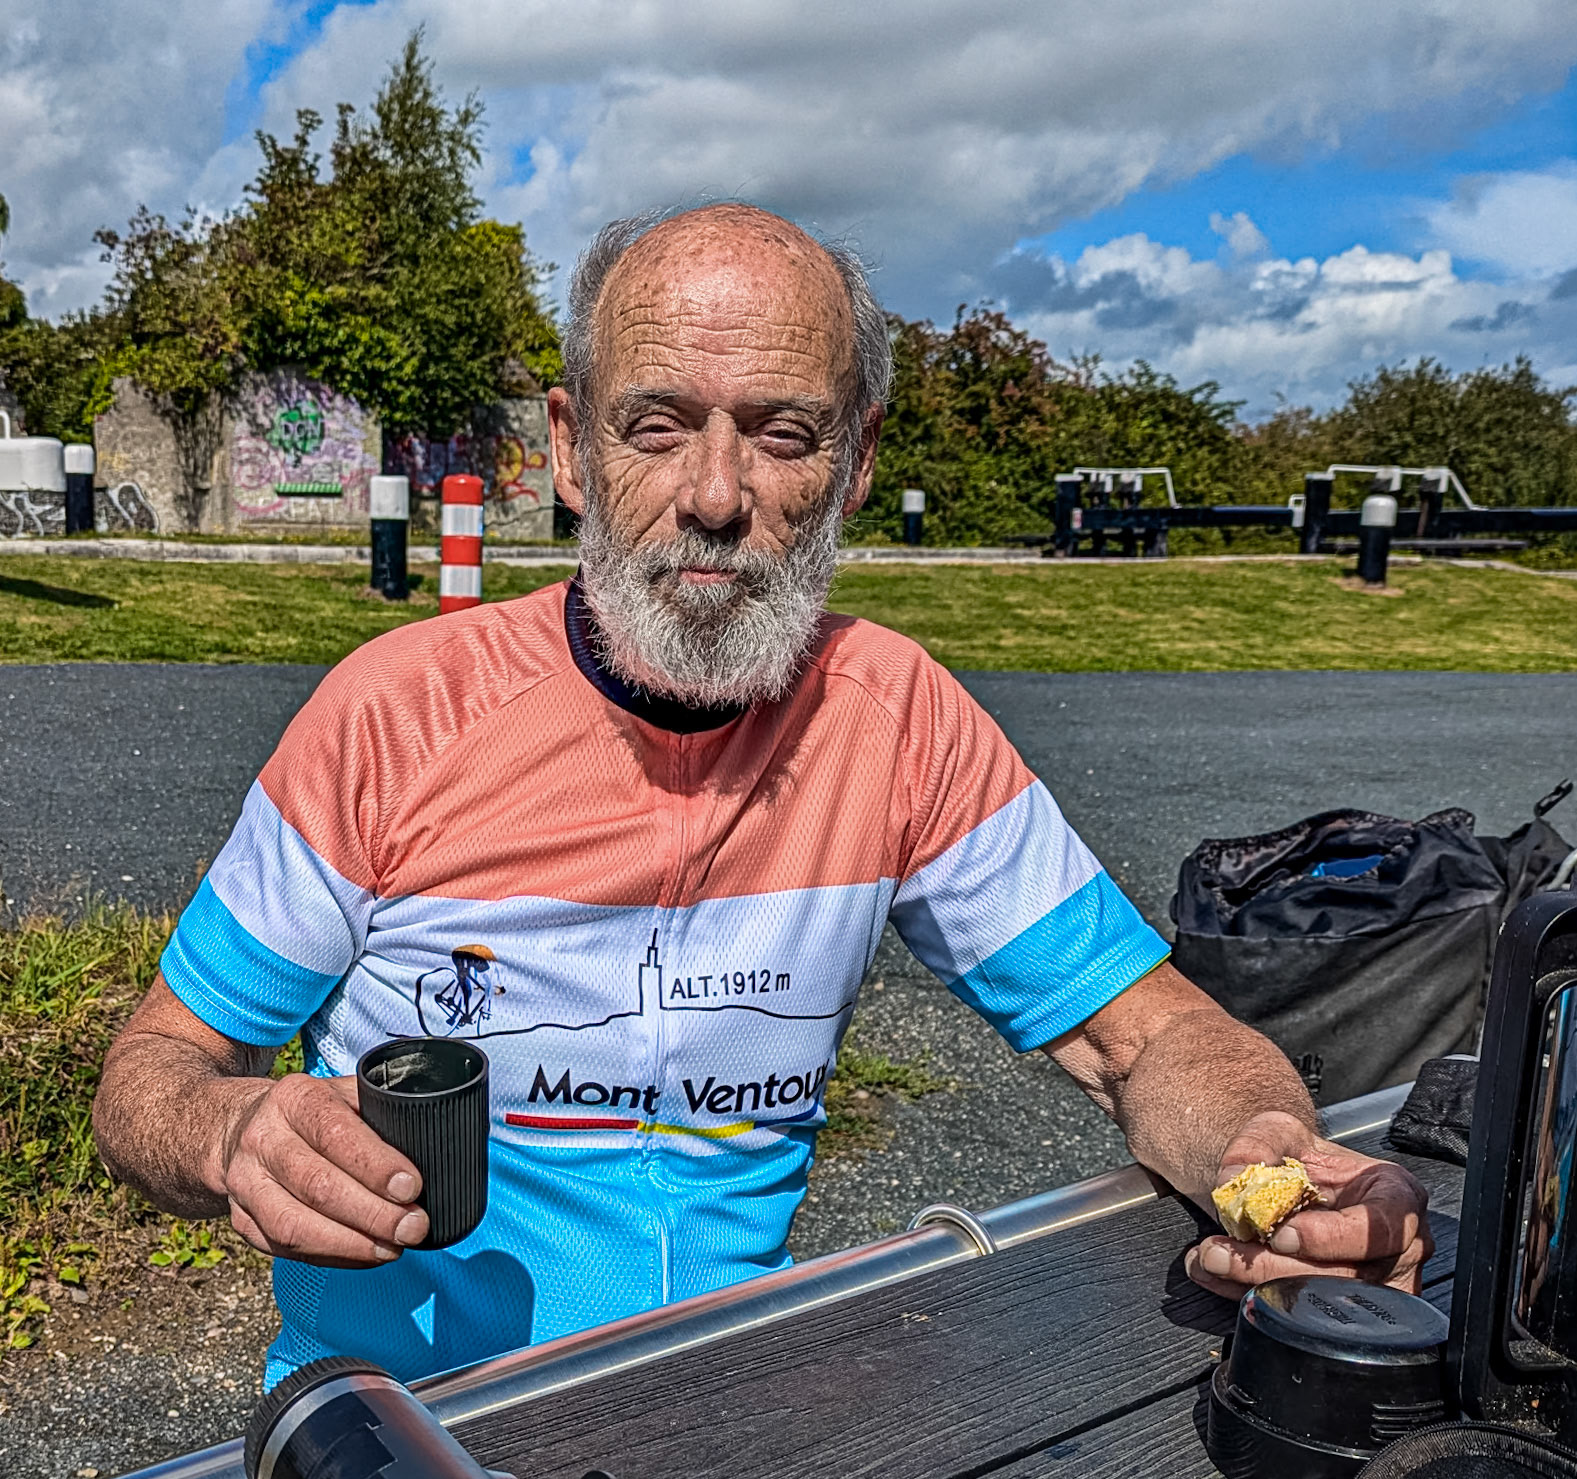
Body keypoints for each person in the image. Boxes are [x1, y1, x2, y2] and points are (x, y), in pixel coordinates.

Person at [93, 204, 1431, 1387]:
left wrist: (1265, 1156)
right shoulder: (391, 713)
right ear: (570, 451)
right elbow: (149, 1076)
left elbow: (1152, 1039)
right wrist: (237, 1131)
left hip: (733, 1416)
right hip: (395, 1438)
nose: (715, 496)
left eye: (779, 435)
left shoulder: (896, 719)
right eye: (657, 427)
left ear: (850, 464)